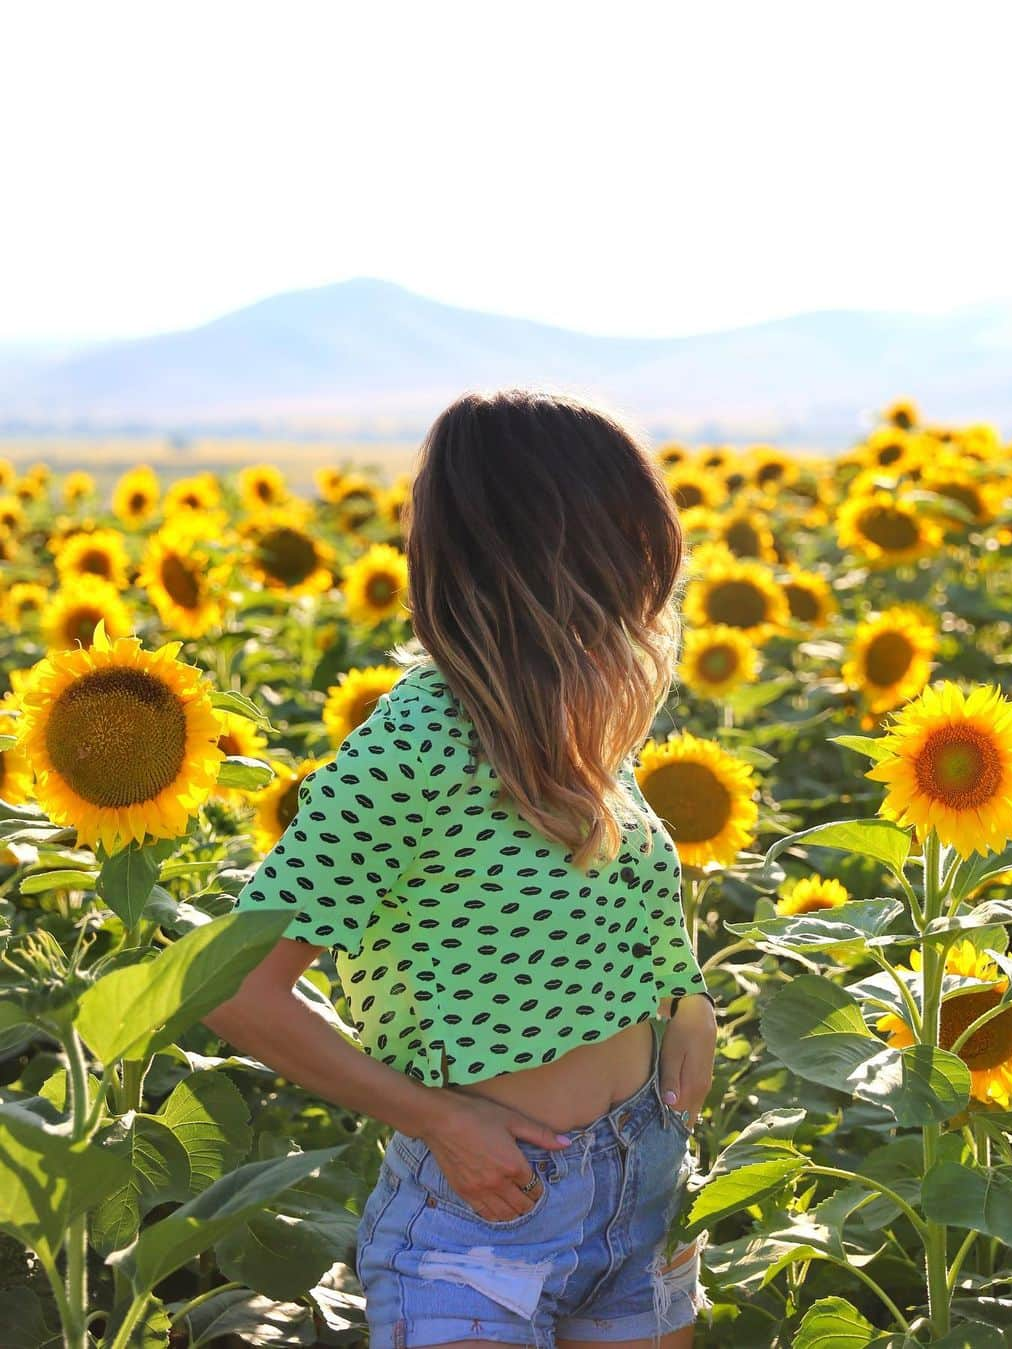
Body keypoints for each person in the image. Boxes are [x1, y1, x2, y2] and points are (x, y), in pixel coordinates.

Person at [203, 389, 719, 1349]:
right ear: (558, 547)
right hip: (488, 1220)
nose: (652, 579)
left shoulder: (585, 719)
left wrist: (688, 1000)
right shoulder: (422, 736)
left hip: (641, 1183)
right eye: (633, 544)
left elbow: (630, 903)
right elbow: (235, 986)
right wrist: (439, 1120)